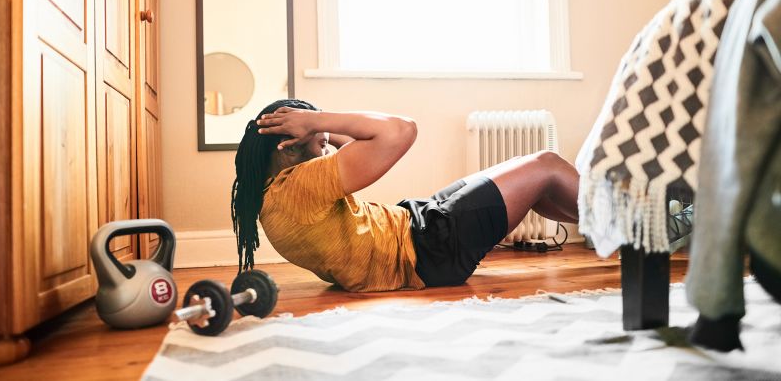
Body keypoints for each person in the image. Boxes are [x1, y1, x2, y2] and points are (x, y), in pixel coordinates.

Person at [231, 99, 580, 292]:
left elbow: (358, 149)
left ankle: (601, 225)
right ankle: (613, 220)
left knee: (528, 177)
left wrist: (315, 129)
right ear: (288, 149)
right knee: (545, 165)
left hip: (419, 227)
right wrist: (318, 120)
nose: (329, 150)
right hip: (432, 248)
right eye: (322, 144)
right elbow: (401, 130)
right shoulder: (300, 186)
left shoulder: (272, 197)